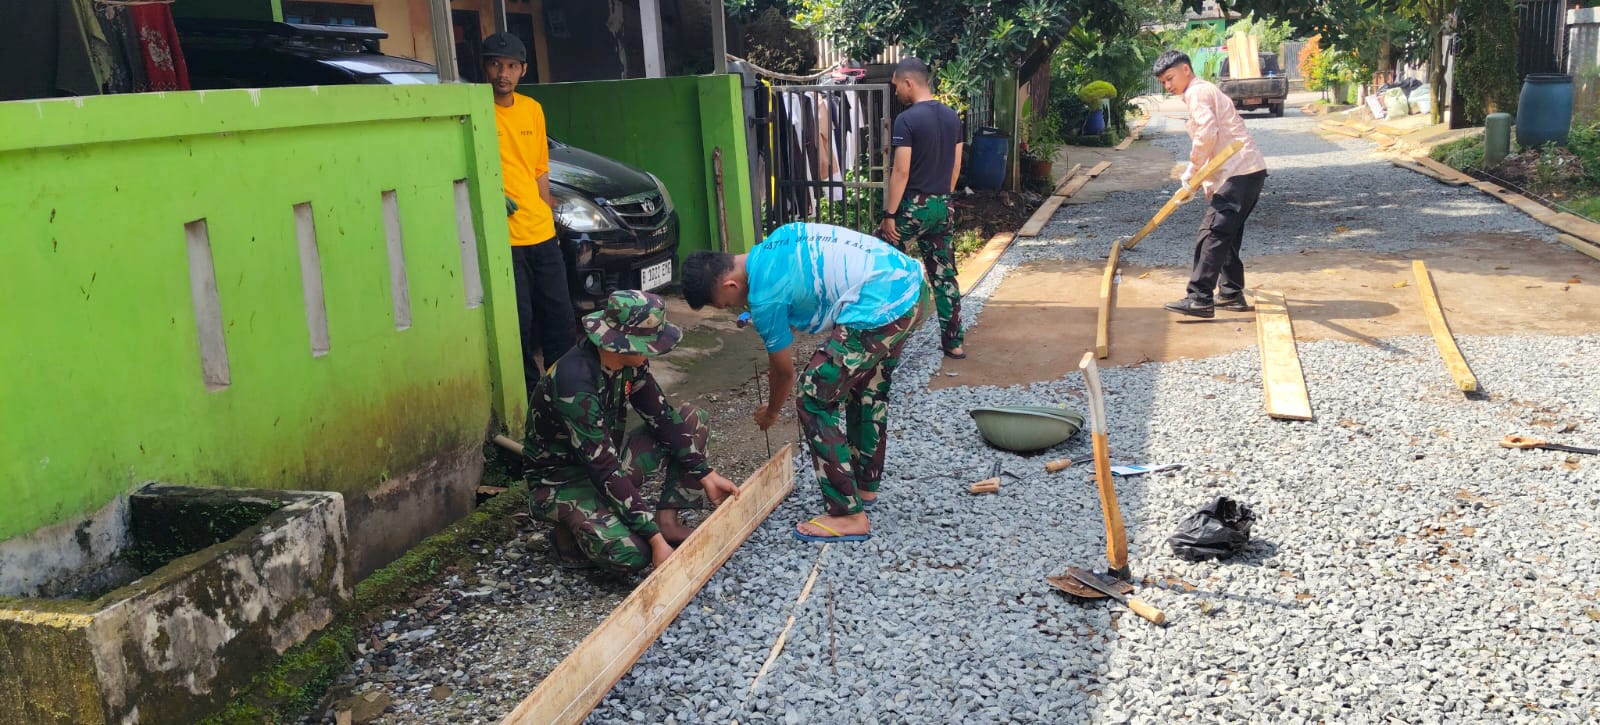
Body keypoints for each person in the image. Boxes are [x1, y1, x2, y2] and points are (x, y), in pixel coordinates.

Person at [681, 222, 928, 543]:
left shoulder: (763, 296)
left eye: (726, 304)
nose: (736, 307)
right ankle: (865, 487)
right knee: (867, 387)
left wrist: (771, 412)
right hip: (911, 288)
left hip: (879, 306)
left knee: (813, 396)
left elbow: (783, 372)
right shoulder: (780, 238)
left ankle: (847, 514)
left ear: (730, 284)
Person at [521, 290, 740, 571]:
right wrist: (653, 539)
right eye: (646, 344)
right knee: (635, 554)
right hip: (563, 483)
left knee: (691, 420)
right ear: (620, 344)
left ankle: (667, 522)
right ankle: (567, 535)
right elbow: (604, 468)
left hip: (605, 463)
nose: (652, 351)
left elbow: (662, 418)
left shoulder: (630, 365)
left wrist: (706, 473)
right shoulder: (574, 384)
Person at [484, 32, 575, 390]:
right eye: (495, 64)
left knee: (560, 317)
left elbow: (539, 169)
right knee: (519, 323)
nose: (502, 73)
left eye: (510, 66)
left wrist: (548, 211)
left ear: (523, 69)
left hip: (541, 232)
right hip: (507, 239)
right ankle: (530, 395)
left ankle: (563, 389)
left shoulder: (532, 109)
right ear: (485, 67)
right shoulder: (476, 110)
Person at [1152, 49, 1269, 319]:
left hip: (1239, 172)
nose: (1168, 86)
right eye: (1163, 82)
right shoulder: (1202, 91)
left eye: (1170, 78)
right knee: (1226, 234)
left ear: (1186, 70)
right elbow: (1215, 140)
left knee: (1212, 233)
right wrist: (1205, 182)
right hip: (1247, 172)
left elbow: (1206, 133)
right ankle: (1231, 293)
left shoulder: (1197, 92)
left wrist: (1192, 171)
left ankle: (1200, 298)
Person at [876, 57, 966, 359]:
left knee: (880, 262)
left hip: (913, 207)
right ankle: (954, 343)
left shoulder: (907, 120)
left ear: (909, 82)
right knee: (944, 275)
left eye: (896, 86)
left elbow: (901, 172)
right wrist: (943, 198)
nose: (896, 92)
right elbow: (955, 168)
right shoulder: (952, 117)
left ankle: (881, 341)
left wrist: (890, 215)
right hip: (942, 205)